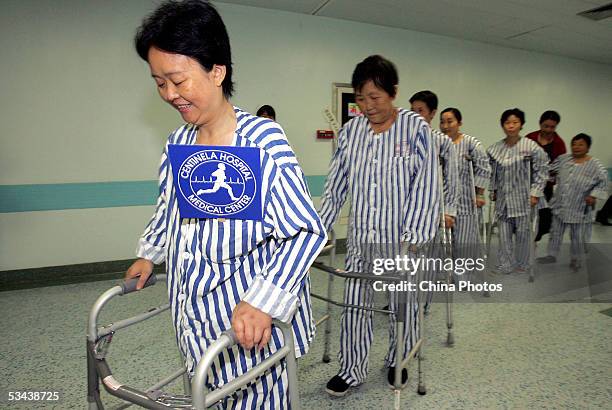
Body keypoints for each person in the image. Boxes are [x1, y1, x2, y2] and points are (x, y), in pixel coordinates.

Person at [125, 1, 327, 408]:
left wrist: (262, 302)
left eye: (178, 81)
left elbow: (305, 231)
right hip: (194, 315)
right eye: (159, 83)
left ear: (217, 71)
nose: (169, 95)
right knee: (207, 396)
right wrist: (149, 254)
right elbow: (170, 209)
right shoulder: (179, 143)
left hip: (251, 323)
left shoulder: (261, 141)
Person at [319, 55, 440, 396]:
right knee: (356, 303)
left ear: (394, 93)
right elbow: (336, 184)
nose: (367, 106)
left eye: (375, 98)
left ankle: (397, 360)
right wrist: (320, 229)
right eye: (361, 98)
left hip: (401, 241)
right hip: (361, 239)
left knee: (404, 305)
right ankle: (352, 369)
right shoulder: (351, 133)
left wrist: (414, 237)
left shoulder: (416, 130)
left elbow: (427, 185)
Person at [487, 108, 548, 274]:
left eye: (515, 122)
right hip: (503, 199)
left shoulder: (531, 147)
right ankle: (505, 264)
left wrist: (535, 192)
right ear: (502, 125)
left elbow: (542, 171)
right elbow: (492, 172)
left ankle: (523, 263)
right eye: (507, 122)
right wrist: (492, 190)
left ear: (521, 125)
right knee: (504, 235)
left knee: (523, 234)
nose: (511, 126)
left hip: (523, 199)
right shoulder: (495, 149)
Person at [537, 133, 608, 269]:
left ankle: (576, 259)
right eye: (574, 144)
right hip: (560, 204)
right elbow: (550, 171)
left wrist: (593, 196)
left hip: (580, 207)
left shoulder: (595, 165)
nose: (576, 147)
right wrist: (547, 176)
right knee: (555, 232)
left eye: (581, 144)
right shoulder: (563, 159)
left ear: (588, 147)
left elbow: (603, 182)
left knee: (577, 236)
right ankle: (551, 255)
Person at [439, 107, 491, 270]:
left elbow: (483, 168)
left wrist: (479, 194)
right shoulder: (439, 142)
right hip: (444, 200)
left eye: (450, 121)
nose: (445, 126)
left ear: (459, 123)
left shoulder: (471, 143)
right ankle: (447, 271)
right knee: (445, 240)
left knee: (464, 240)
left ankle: (463, 274)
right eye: (442, 122)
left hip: (466, 201)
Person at [525, 111, 567, 241]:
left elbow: (560, 166)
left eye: (552, 127)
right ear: (540, 124)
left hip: (546, 185)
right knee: (526, 217)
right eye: (546, 126)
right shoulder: (530, 138)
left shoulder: (559, 144)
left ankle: (535, 241)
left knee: (544, 218)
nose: (548, 130)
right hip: (526, 183)